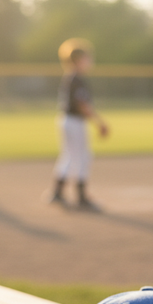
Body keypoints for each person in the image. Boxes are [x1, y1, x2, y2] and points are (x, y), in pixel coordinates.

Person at [49, 38, 109, 210]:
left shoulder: (71, 77)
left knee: (68, 156)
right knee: (83, 156)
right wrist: (100, 122)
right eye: (87, 57)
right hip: (74, 121)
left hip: (66, 120)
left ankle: (57, 192)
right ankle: (82, 197)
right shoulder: (77, 79)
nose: (90, 60)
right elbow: (83, 105)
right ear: (78, 59)